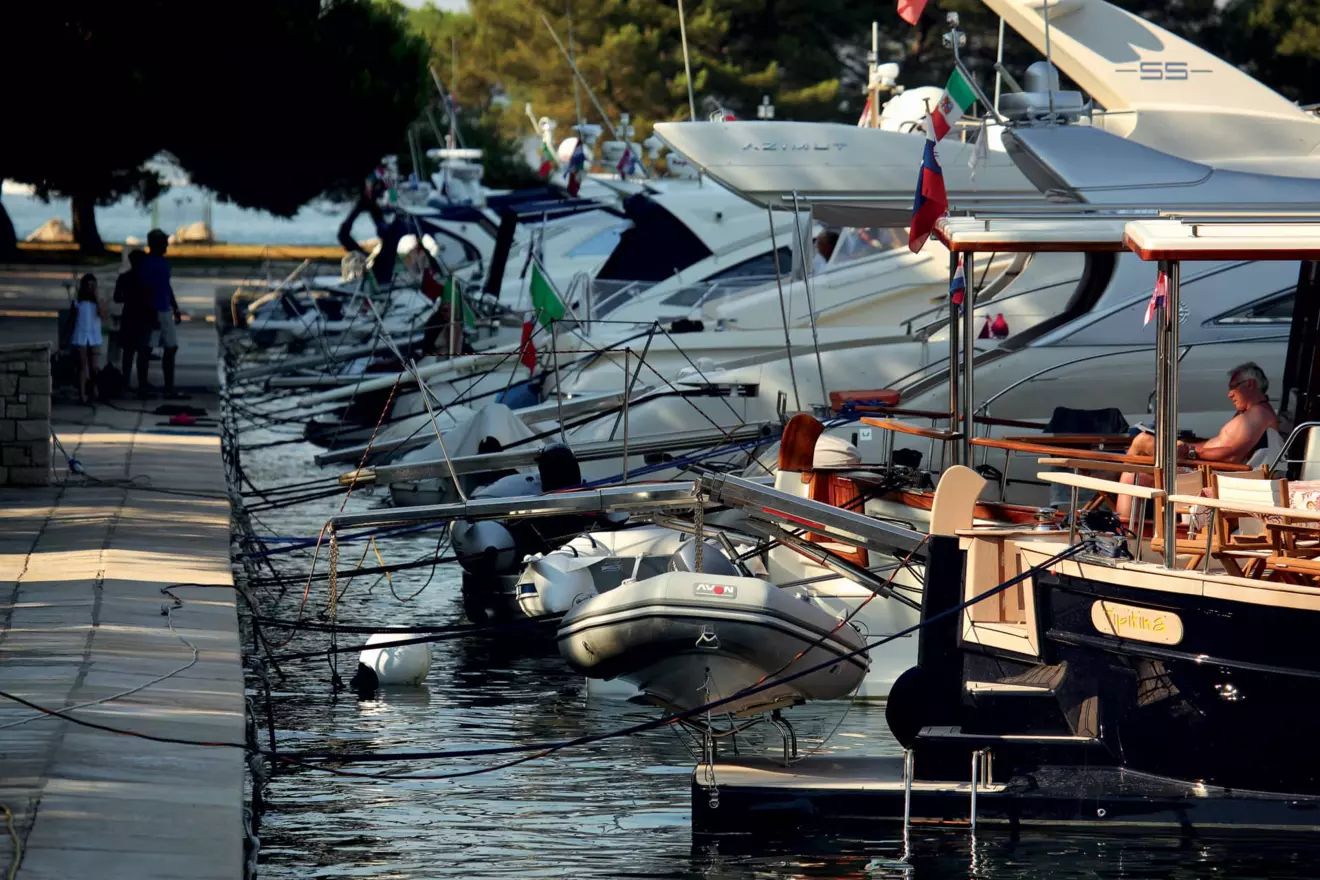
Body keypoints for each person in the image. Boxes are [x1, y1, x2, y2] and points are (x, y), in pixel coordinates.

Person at [1116, 362, 1279, 520]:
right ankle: (1122, 514)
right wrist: (1187, 444)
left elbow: (1230, 456)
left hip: (1213, 476)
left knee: (1141, 445)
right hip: (1207, 469)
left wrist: (1191, 452)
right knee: (1135, 469)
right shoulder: (1252, 414)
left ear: (1250, 384)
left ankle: (1113, 484)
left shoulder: (1257, 415)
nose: (1230, 394)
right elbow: (1222, 445)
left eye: (1233, 387)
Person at [142, 229, 183, 398]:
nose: (166, 245)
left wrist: (175, 306)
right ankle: (143, 386)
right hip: (154, 310)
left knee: (171, 346)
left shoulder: (164, 263)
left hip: (165, 309)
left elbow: (166, 286)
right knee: (146, 348)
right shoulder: (147, 263)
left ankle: (169, 387)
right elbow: (146, 289)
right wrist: (151, 313)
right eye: (164, 242)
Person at [113, 249, 152, 396]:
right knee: (142, 352)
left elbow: (117, 297)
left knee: (129, 352)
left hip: (129, 315)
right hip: (143, 317)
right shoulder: (146, 278)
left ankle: (126, 381)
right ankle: (142, 383)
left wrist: (129, 298)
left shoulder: (124, 277)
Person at [70, 273, 106, 404]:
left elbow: (103, 315)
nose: (90, 288)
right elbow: (72, 318)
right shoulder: (77, 301)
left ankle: (94, 390)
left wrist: (96, 297)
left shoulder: (99, 301)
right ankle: (82, 393)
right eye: (88, 285)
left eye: (93, 285)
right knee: (82, 365)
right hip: (81, 334)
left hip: (94, 335)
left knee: (94, 366)